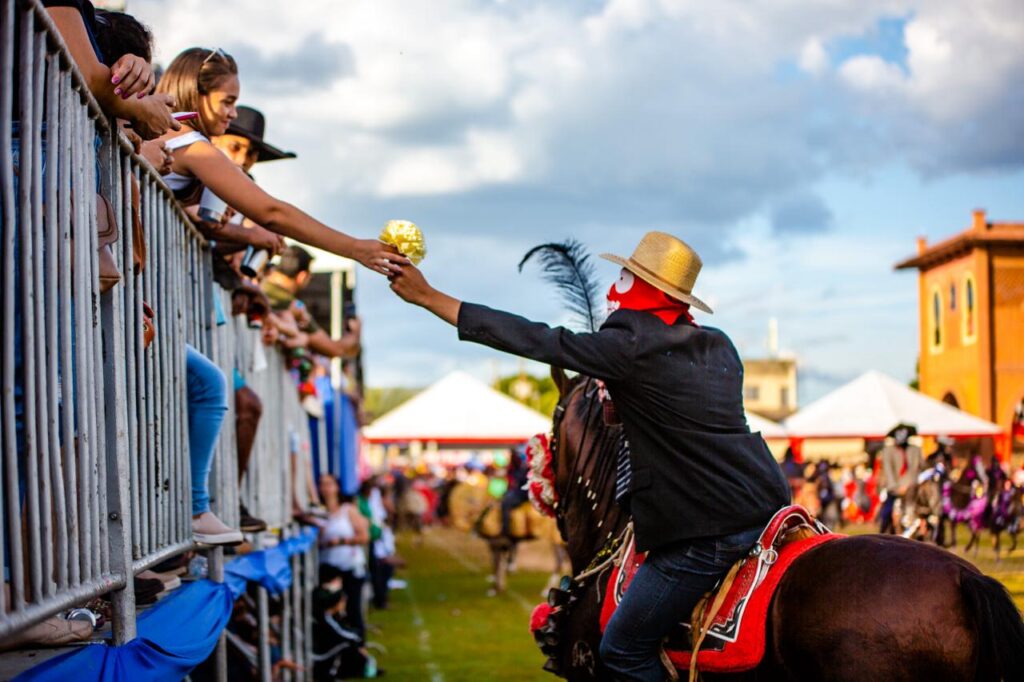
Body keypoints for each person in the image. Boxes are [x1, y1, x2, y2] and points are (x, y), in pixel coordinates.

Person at [388, 231, 791, 679]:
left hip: (707, 530)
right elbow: (686, 417)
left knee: (622, 649)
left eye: (623, 277)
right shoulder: (718, 344)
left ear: (644, 289)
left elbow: (536, 339)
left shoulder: (629, 346)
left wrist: (428, 297)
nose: (613, 288)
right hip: (769, 509)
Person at [154, 48, 402, 274]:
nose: (233, 113)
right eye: (227, 101)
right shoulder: (193, 145)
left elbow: (207, 227)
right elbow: (272, 212)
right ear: (196, 94)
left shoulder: (163, 131)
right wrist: (355, 248)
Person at [260, 245, 363, 359]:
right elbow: (334, 349)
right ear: (302, 276)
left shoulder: (256, 285)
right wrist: (355, 333)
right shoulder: (294, 306)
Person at [317, 473, 370, 639]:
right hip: (328, 567)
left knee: (353, 609)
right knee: (327, 609)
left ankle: (359, 649)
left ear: (337, 487)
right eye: (322, 484)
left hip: (350, 566)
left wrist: (340, 541)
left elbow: (364, 536)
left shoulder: (348, 510)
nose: (325, 488)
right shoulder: (318, 512)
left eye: (329, 484)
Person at [878, 424, 922, 535]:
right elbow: (888, 471)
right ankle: (883, 534)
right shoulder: (888, 451)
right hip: (894, 489)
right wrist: (896, 488)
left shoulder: (915, 450)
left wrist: (909, 485)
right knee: (887, 513)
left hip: (912, 487)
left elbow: (916, 468)